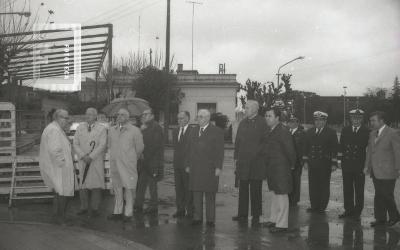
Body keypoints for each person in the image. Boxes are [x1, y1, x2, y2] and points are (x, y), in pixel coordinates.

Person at [232, 100, 268, 227]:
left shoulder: (263, 122)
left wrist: (255, 154)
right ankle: (242, 214)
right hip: (243, 162)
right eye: (245, 108)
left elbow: (265, 142)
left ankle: (256, 215)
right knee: (243, 189)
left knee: (255, 189)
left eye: (247, 108)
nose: (245, 110)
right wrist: (236, 157)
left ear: (255, 109)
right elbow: (238, 142)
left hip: (256, 163)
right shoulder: (243, 122)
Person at [262, 108, 296, 233]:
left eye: (269, 116)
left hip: (281, 167)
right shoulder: (271, 130)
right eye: (266, 115)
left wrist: (292, 164)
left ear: (277, 118)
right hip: (272, 167)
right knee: (275, 194)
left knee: (282, 195)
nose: (267, 118)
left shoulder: (282, 130)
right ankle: (274, 219)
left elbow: (290, 150)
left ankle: (282, 225)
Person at [188, 109, 224, 227]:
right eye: (198, 116)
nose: (199, 119)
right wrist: (187, 164)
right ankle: (197, 217)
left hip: (210, 168)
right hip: (195, 168)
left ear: (208, 118)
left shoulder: (217, 131)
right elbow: (189, 150)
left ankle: (210, 219)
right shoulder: (193, 131)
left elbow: (220, 151)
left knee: (210, 195)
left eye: (201, 117)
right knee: (196, 194)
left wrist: (218, 167)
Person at [364, 111, 400, 227]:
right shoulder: (372, 133)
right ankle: (380, 218)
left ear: (381, 121)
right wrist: (366, 166)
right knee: (379, 195)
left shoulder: (393, 133)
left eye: (373, 120)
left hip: (388, 171)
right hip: (375, 170)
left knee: (387, 194)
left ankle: (395, 217)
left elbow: (397, 152)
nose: (371, 123)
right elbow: (370, 151)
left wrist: (398, 168)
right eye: (370, 121)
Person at [108, 108, 144, 221]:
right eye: (118, 114)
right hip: (115, 164)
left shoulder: (135, 130)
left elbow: (140, 148)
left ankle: (128, 213)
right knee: (117, 188)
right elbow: (109, 145)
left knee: (129, 188)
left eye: (122, 115)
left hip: (128, 164)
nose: (119, 116)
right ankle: (117, 212)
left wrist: (132, 158)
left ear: (128, 117)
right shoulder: (111, 130)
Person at [39, 109, 74, 225]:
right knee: (62, 193)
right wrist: (63, 163)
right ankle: (61, 218)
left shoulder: (55, 129)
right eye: (66, 118)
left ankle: (57, 216)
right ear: (58, 118)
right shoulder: (54, 130)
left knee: (58, 193)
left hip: (56, 167)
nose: (67, 120)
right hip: (58, 168)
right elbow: (55, 150)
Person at [73, 108, 107, 217]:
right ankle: (83, 207)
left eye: (91, 114)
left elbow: (102, 145)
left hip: (95, 161)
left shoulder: (102, 129)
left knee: (96, 185)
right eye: (87, 114)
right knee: (83, 185)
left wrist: (91, 156)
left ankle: (95, 208)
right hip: (83, 160)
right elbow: (75, 143)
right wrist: (83, 156)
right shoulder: (80, 128)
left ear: (96, 116)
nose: (88, 116)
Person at [303, 111, 338, 213]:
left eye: (321, 120)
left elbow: (334, 149)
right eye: (316, 120)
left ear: (325, 121)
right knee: (313, 185)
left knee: (323, 186)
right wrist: (305, 161)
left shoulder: (331, 132)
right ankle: (314, 205)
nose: (318, 122)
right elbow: (306, 147)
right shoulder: (309, 132)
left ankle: (322, 207)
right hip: (312, 163)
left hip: (324, 164)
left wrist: (334, 163)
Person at [338, 109, 369, 220]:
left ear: (362, 119)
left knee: (359, 190)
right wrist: (340, 161)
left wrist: (367, 165)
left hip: (359, 165)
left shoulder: (367, 131)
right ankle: (348, 210)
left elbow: (369, 150)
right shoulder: (345, 130)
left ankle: (357, 212)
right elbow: (341, 146)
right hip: (347, 164)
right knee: (347, 189)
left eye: (359, 118)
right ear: (350, 119)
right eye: (354, 118)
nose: (356, 120)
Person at [134, 109, 164, 215]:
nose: (143, 116)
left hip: (152, 162)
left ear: (152, 115)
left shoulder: (156, 127)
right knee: (141, 184)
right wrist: (141, 130)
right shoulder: (144, 127)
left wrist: (143, 154)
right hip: (143, 162)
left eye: (146, 114)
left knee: (152, 186)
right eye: (143, 114)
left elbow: (155, 145)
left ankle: (153, 206)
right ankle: (138, 205)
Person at [172, 111, 194, 218]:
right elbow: (176, 148)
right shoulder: (175, 131)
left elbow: (193, 150)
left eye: (182, 118)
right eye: (178, 118)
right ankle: (180, 209)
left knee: (188, 189)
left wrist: (189, 164)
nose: (179, 120)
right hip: (177, 165)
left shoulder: (193, 131)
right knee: (178, 188)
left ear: (187, 119)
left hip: (188, 166)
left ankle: (190, 211)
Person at [287, 115, 306, 206]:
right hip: (287, 161)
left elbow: (303, 148)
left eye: (294, 121)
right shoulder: (287, 132)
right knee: (288, 180)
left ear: (297, 123)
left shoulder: (301, 133)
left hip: (297, 161)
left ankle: (294, 200)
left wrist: (302, 161)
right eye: (290, 121)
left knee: (296, 181)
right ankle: (289, 198)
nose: (292, 123)